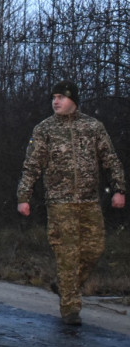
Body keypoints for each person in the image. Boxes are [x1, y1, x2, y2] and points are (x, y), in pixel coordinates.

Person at [17, 80, 126, 325]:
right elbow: (31, 165)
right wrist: (23, 197)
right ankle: (70, 309)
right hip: (60, 202)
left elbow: (111, 159)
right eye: (53, 97)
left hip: (89, 201)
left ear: (73, 100)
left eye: (61, 97)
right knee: (67, 255)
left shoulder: (93, 127)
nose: (56, 101)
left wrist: (119, 188)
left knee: (94, 249)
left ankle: (66, 285)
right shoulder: (44, 129)